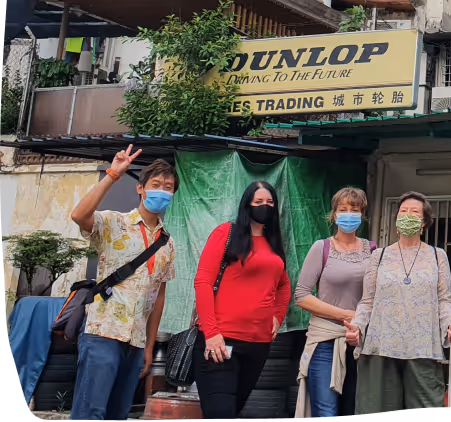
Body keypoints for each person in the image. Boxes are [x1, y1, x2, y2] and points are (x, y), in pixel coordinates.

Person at [68, 147, 177, 422]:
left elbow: (159, 296)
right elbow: (79, 216)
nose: (162, 191)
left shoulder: (167, 242)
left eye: (169, 187)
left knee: (118, 413)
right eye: (156, 185)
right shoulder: (115, 222)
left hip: (137, 340)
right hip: (103, 331)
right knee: (89, 411)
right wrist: (112, 175)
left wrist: (150, 346)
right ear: (140, 189)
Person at [345, 191, 451, 414]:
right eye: (403, 211)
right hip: (380, 347)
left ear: (424, 222)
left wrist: (449, 326)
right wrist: (357, 328)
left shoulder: (437, 256)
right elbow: (367, 301)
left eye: (414, 212)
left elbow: (443, 300)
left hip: (423, 348)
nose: (408, 215)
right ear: (397, 219)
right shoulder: (378, 256)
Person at [193, 181, 291, 420]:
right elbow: (203, 281)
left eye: (270, 202)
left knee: (233, 410)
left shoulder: (272, 242)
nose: (265, 206)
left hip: (258, 345)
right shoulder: (226, 232)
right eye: (259, 202)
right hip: (220, 341)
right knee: (220, 412)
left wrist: (277, 317)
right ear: (247, 204)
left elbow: (284, 284)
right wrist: (211, 332)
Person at [294, 187, 374, 418]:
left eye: (355, 209)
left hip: (361, 341)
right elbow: (302, 294)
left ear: (362, 215)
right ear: (334, 214)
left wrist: (358, 322)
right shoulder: (322, 248)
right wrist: (345, 315)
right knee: (326, 410)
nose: (349, 214)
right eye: (343, 209)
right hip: (325, 340)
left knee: (354, 408)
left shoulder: (373, 251)